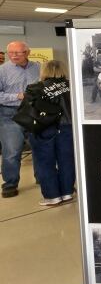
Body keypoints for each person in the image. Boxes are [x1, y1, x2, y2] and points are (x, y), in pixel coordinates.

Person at [26, 60, 76, 206]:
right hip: (67, 128)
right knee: (67, 161)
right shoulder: (71, 86)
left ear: (44, 71)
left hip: (43, 129)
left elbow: (27, 112)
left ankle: (52, 196)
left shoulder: (34, 88)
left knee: (44, 163)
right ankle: (67, 193)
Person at [0, 41, 41, 198]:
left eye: (18, 52)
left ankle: (42, 178)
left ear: (28, 52)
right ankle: (10, 184)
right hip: (10, 114)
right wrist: (17, 96)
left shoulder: (38, 68)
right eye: (11, 53)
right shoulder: (2, 71)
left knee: (39, 147)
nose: (14, 55)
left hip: (34, 112)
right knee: (12, 151)